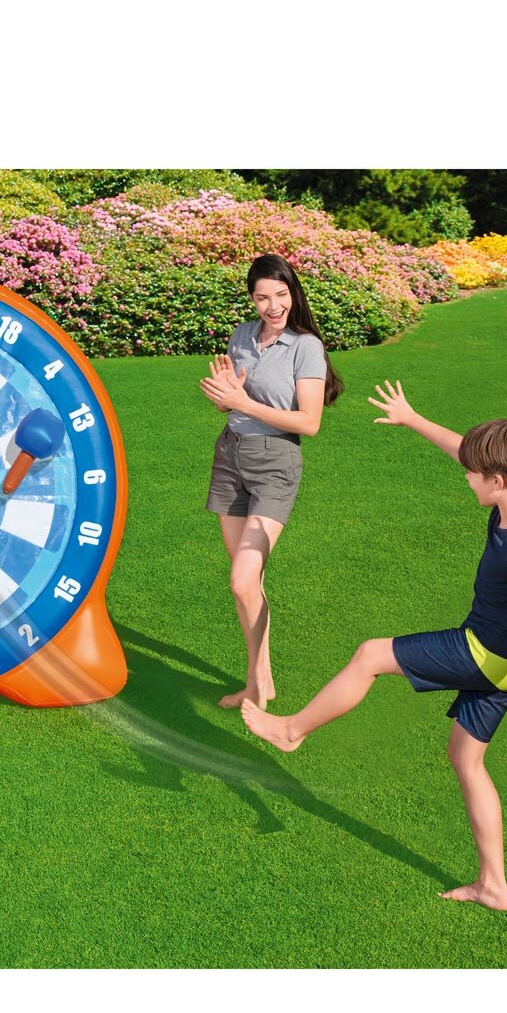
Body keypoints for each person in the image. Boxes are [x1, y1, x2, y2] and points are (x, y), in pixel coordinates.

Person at [241, 382, 507, 910]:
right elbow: (465, 452)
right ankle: (494, 884)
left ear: (496, 480)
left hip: (489, 654)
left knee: (370, 655)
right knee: (467, 761)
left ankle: (290, 731)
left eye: (473, 474)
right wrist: (414, 418)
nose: (465, 476)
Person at [199, 254, 343, 711]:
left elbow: (310, 422)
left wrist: (243, 400)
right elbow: (235, 402)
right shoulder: (241, 335)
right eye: (262, 297)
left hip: (276, 463)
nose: (273, 305)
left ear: (293, 293)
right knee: (249, 581)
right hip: (230, 457)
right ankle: (259, 681)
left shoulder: (306, 347)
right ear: (252, 298)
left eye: (280, 295)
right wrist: (226, 398)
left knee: (242, 580)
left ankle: (259, 682)